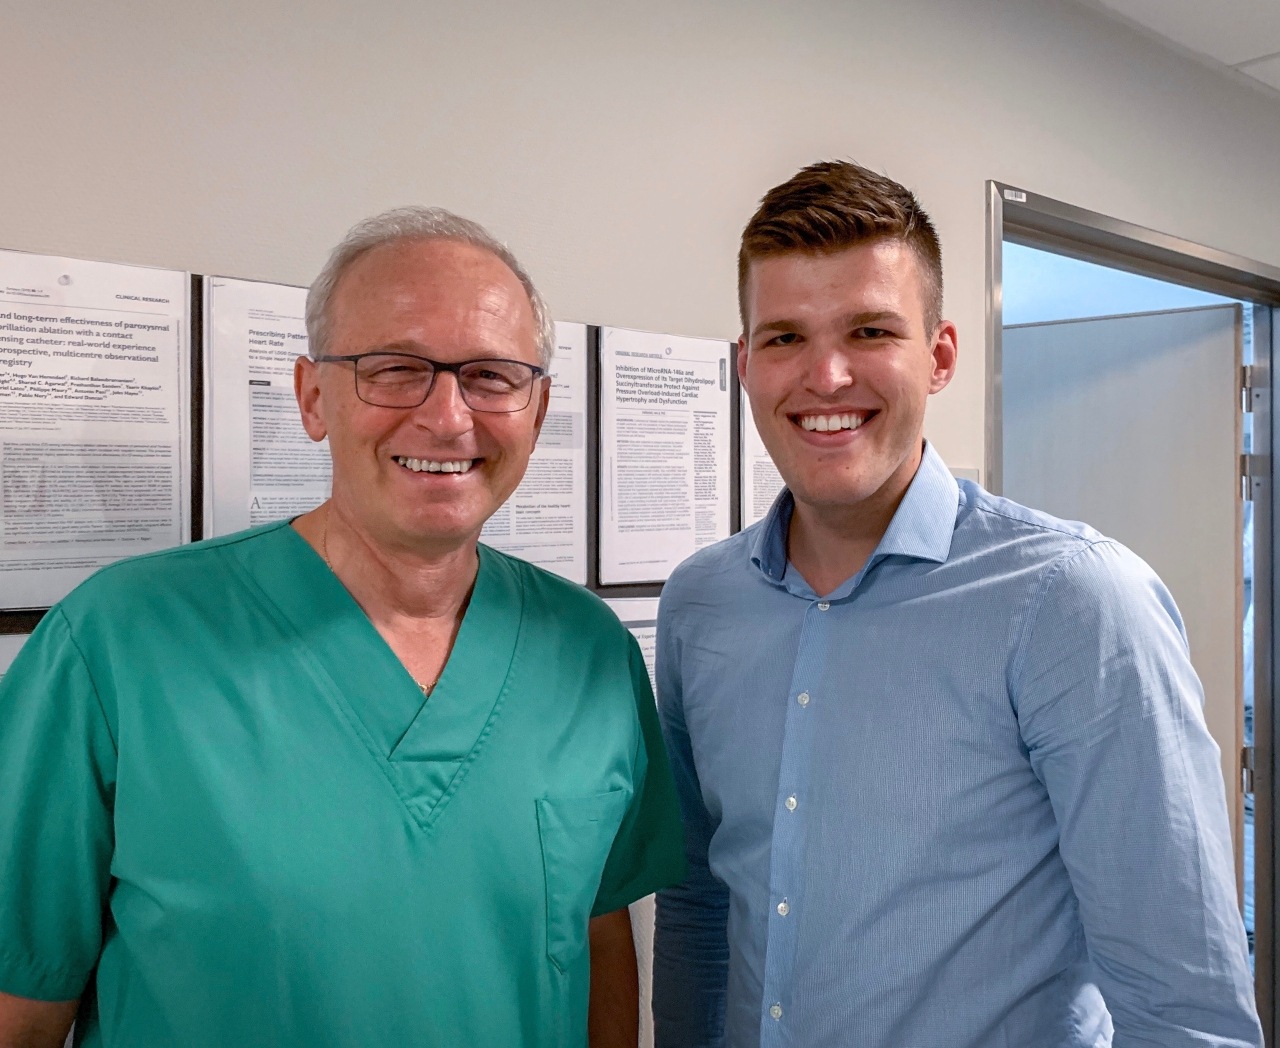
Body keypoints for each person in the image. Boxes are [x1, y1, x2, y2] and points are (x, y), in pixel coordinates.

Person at [0, 206, 684, 1048]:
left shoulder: (590, 652)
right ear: (312, 397)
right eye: (394, 369)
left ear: (537, 410)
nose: (448, 417)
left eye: (491, 376)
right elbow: (20, 1007)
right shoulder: (116, 644)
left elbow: (598, 937)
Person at [651, 161, 1261, 1047]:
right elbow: (699, 903)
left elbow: (1184, 1012)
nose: (825, 375)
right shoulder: (701, 603)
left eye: (869, 331)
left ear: (939, 357)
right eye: (784, 337)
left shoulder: (1073, 604)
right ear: (746, 365)